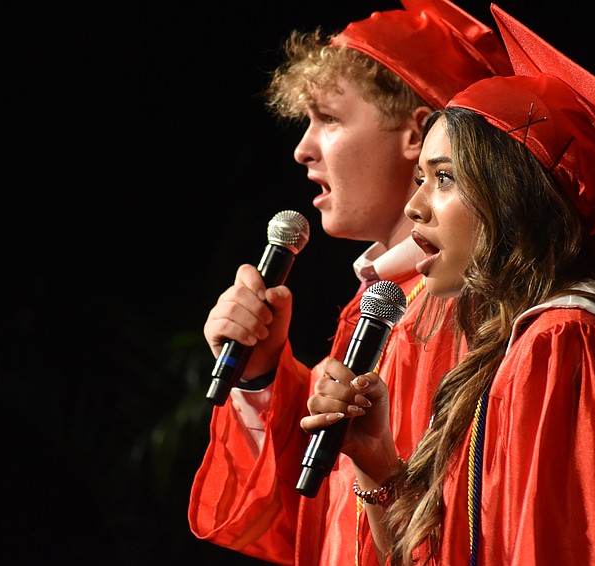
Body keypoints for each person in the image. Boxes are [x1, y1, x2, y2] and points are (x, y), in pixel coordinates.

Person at [303, 4, 595, 564]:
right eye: (422, 177)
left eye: (445, 179)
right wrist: (378, 461)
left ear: (512, 197)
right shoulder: (510, 347)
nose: (415, 205)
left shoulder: (566, 343)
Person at [188, 2, 512, 564]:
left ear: (417, 133)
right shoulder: (381, 303)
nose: (302, 148)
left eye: (329, 119)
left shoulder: (463, 312)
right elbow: (311, 529)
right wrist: (261, 376)